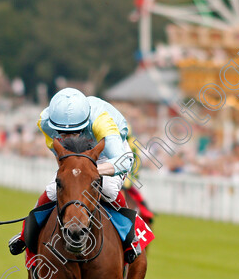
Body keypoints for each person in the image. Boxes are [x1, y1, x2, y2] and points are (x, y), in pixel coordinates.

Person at [8, 87, 141, 263]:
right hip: (75, 156)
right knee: (52, 191)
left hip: (108, 153)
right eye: (63, 133)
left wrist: (89, 172)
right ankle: (25, 234)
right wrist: (71, 174)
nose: (69, 136)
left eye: (74, 131)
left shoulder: (101, 121)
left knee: (108, 189)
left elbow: (125, 161)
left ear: (85, 122)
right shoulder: (45, 122)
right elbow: (60, 155)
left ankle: (129, 236)